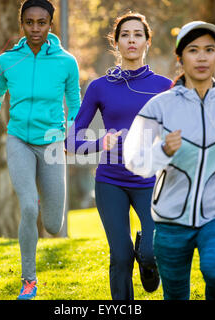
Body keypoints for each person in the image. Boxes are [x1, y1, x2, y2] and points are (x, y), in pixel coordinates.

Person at [124, 21, 215, 300]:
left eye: (209, 50)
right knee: (175, 294)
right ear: (181, 58)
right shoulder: (159, 106)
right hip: (171, 215)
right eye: (193, 50)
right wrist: (162, 150)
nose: (201, 57)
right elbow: (133, 158)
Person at [0, 0, 81, 300]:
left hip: (51, 142)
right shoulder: (7, 61)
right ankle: (29, 280)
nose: (36, 28)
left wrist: (73, 137)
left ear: (50, 24)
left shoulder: (66, 62)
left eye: (42, 22)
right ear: (21, 23)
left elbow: (75, 104)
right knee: (29, 207)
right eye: (30, 22)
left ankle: (42, 240)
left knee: (52, 223)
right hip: (18, 139)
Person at [65, 12, 172, 300]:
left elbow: (182, 133)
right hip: (111, 181)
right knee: (121, 257)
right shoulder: (99, 87)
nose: (132, 40)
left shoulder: (165, 87)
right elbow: (71, 142)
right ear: (116, 43)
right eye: (125, 35)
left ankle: (149, 264)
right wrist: (102, 142)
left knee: (151, 252)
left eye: (138, 34)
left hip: (150, 181)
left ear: (147, 42)